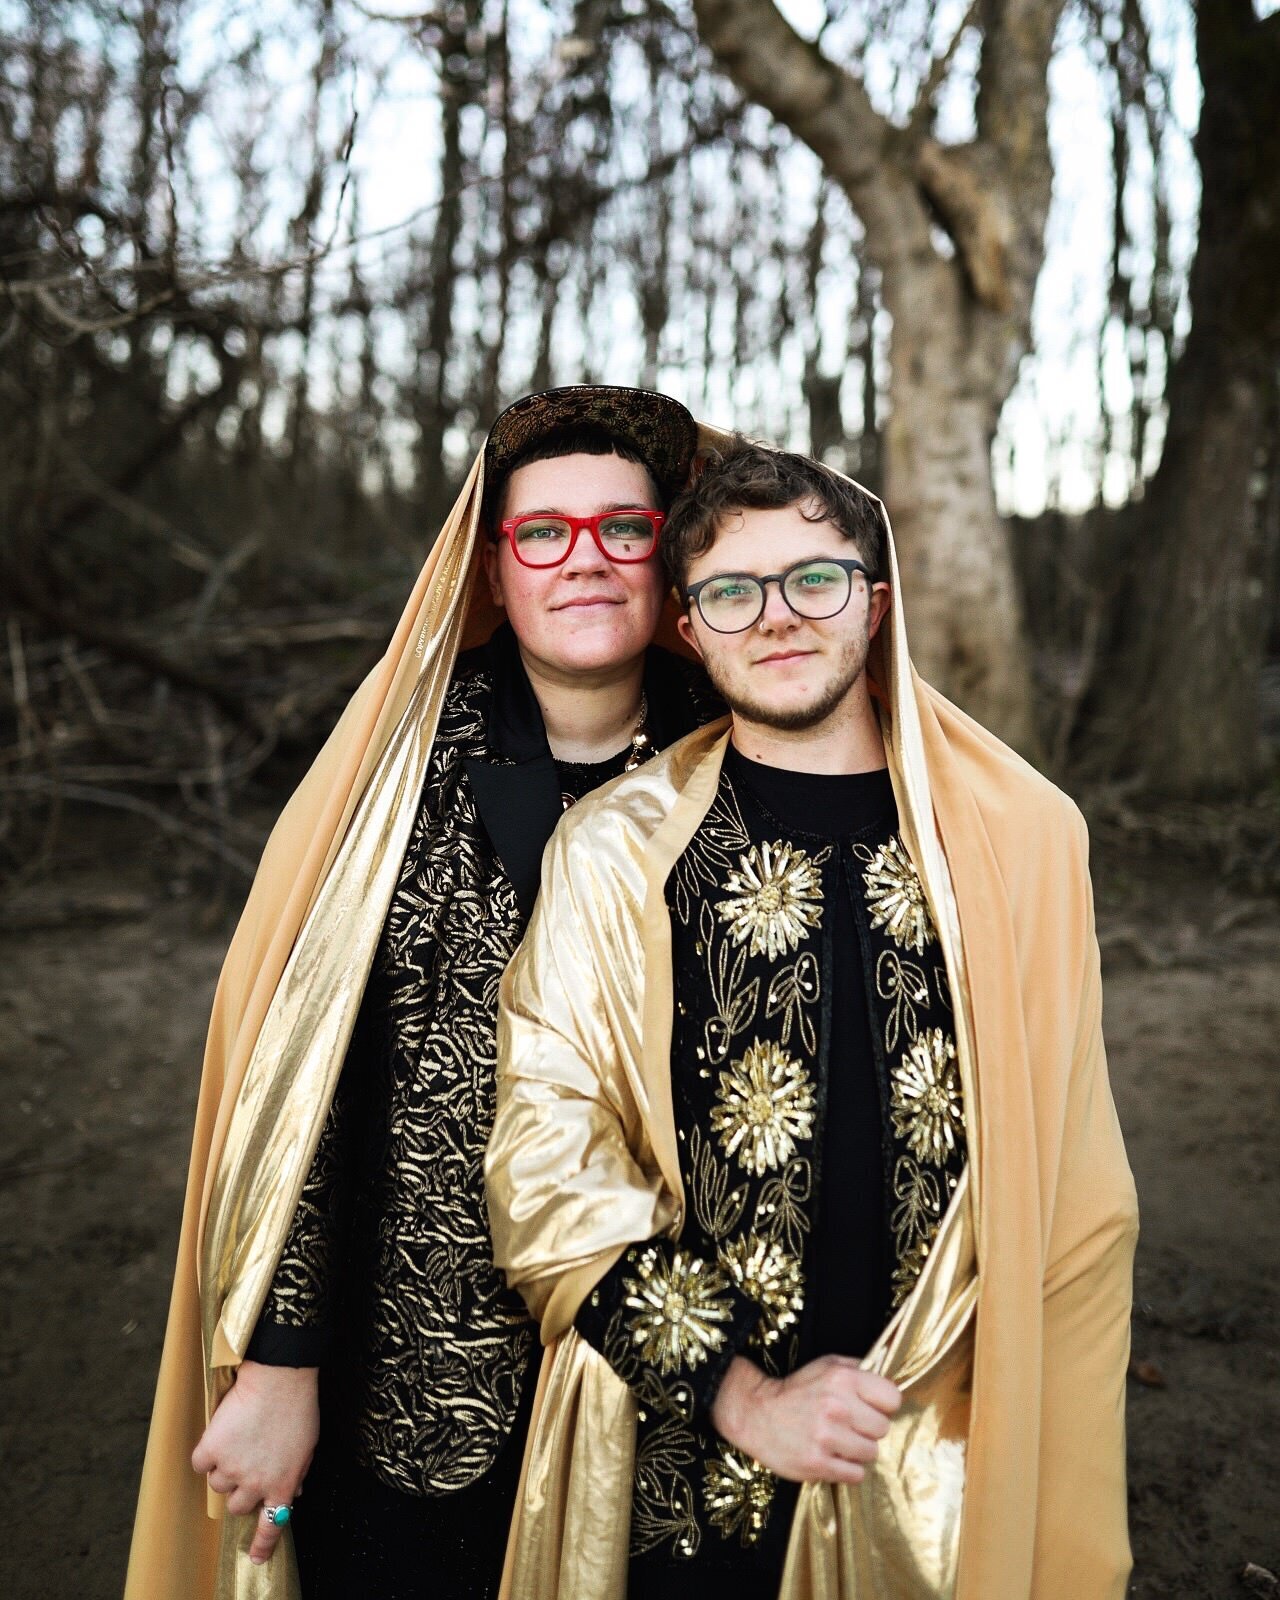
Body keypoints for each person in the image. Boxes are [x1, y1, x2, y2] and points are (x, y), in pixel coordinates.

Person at [485, 439, 1139, 1599]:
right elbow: (546, 1160)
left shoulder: (1016, 837)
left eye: (815, 579)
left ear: (875, 600)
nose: (777, 617)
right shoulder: (615, 851)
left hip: (943, 1454)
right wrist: (741, 1392)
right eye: (732, 591)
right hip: (683, 1464)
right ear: (686, 625)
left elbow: (1076, 1188)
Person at [125, 386, 723, 1600]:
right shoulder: (396, 772)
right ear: (492, 570)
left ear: (669, 559)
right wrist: (277, 1365)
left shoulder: (743, 752)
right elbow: (305, 1085)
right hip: (413, 1377)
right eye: (541, 533)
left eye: (625, 529)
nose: (585, 561)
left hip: (673, 1369)